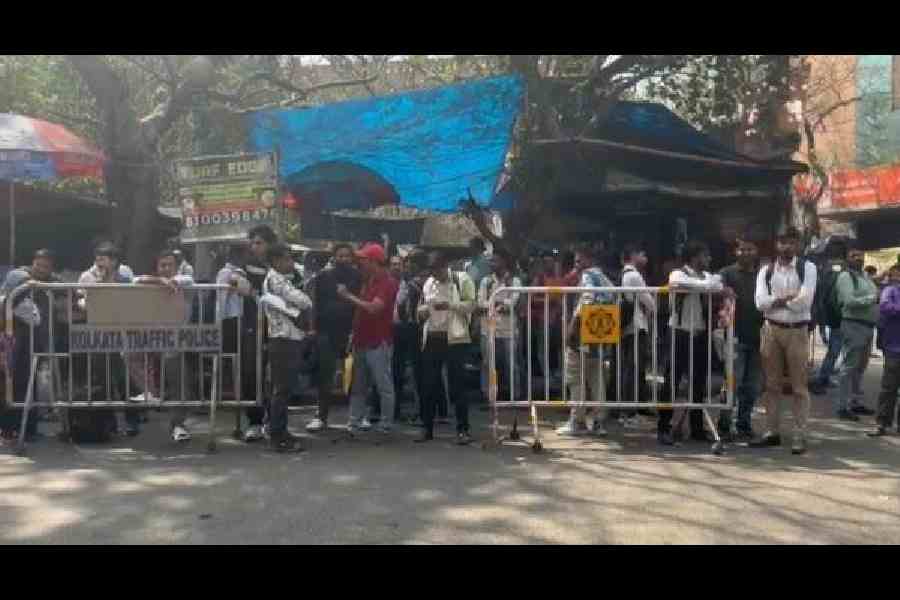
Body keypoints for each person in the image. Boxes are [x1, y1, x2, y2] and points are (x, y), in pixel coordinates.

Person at [750, 227, 817, 455]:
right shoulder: (766, 270)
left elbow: (804, 302)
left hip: (797, 331)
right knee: (771, 385)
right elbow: (759, 303)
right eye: (782, 242)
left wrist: (775, 301)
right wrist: (787, 299)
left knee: (799, 387)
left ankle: (799, 434)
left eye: (791, 242)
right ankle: (772, 432)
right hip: (771, 330)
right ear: (776, 244)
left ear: (798, 245)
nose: (786, 246)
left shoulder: (807, 268)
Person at [658, 241, 724, 446]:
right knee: (672, 381)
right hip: (679, 332)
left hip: (700, 333)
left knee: (698, 381)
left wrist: (705, 284)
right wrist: (706, 284)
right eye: (705, 255)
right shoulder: (677, 274)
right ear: (695, 257)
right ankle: (664, 427)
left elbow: (717, 285)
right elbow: (699, 285)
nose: (708, 259)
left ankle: (696, 428)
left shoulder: (707, 276)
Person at [77, 242, 141, 436]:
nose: (99, 263)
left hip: (121, 333)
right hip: (98, 334)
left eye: (103, 259)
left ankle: (132, 421)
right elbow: (82, 303)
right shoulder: (87, 277)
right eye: (97, 259)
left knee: (124, 379)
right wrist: (99, 285)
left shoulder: (125, 277)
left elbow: (132, 302)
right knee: (102, 379)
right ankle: (108, 424)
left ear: (114, 261)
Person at [133, 250, 197, 442]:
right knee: (127, 353)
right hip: (151, 336)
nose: (166, 268)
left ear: (177, 267)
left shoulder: (185, 280)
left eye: (170, 265)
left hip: (176, 339)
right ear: (157, 267)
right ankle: (151, 392)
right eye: (162, 265)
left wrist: (164, 281)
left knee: (177, 376)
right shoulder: (154, 282)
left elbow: (183, 281)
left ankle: (178, 424)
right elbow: (135, 280)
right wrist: (159, 280)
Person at [0, 249, 62, 440]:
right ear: (33, 262)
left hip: (34, 342)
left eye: (46, 266)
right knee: (9, 382)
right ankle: (9, 428)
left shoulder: (52, 281)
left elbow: (69, 291)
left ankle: (28, 430)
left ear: (51, 268)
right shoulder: (18, 276)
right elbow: (9, 300)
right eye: (38, 265)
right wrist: (30, 284)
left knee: (28, 384)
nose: (41, 269)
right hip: (13, 339)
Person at [416, 251, 477, 444]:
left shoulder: (462, 279)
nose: (435, 274)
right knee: (428, 385)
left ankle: (463, 430)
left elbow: (472, 305)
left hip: (455, 339)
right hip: (432, 337)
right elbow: (421, 307)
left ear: (445, 266)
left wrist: (450, 305)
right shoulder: (428, 283)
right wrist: (422, 311)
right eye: (432, 271)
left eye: (437, 270)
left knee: (457, 386)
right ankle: (426, 428)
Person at [338, 243, 399, 434]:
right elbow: (361, 311)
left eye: (363, 259)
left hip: (378, 341)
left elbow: (374, 308)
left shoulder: (388, 283)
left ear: (373, 261)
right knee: (358, 385)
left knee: (383, 385)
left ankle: (386, 424)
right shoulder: (369, 280)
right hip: (361, 340)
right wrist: (353, 333)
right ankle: (354, 421)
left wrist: (348, 296)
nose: (360, 262)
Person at [556, 245, 616, 437]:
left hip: (584, 331)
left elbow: (587, 298)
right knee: (596, 377)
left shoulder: (588, 276)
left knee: (575, 375)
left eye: (579, 260)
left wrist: (573, 324)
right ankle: (598, 421)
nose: (576, 264)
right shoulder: (604, 278)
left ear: (589, 260)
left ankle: (577, 421)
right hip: (600, 331)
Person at [259, 242, 313, 452]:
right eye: (287, 258)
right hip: (283, 339)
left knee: (284, 389)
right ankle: (277, 436)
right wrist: (306, 296)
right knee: (282, 390)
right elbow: (303, 301)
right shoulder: (276, 280)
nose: (291, 262)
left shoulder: (281, 279)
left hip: (287, 338)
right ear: (276, 261)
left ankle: (281, 431)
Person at [304, 243, 362, 433]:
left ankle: (357, 417)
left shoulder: (358, 276)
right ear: (334, 257)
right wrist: (312, 328)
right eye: (340, 255)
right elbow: (314, 303)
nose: (343, 259)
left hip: (350, 331)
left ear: (352, 258)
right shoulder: (323, 276)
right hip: (326, 331)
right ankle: (321, 416)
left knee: (357, 375)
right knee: (325, 374)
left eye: (347, 256)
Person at [717, 238, 764, 442]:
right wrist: (723, 290)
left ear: (756, 251)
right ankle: (724, 426)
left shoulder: (762, 275)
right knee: (732, 384)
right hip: (734, 337)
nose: (746, 252)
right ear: (736, 252)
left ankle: (744, 424)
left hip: (758, 338)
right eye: (742, 249)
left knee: (752, 387)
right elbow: (716, 289)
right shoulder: (726, 273)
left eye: (750, 249)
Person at [239, 225, 278, 442]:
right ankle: (254, 422)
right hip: (252, 326)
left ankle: (274, 422)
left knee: (276, 376)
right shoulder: (245, 266)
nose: (255, 247)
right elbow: (233, 280)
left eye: (259, 243)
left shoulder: (282, 265)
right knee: (251, 372)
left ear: (270, 244)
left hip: (279, 328)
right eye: (252, 243)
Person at [833, 247, 879, 420]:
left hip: (867, 327)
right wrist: (872, 299)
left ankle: (855, 402)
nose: (858, 258)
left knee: (860, 367)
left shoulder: (865, 277)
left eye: (860, 255)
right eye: (854, 256)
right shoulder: (845, 277)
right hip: (853, 325)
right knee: (849, 366)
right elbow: (849, 301)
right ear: (847, 259)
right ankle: (842, 407)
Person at [477, 251, 523, 402]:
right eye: (491, 261)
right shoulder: (486, 281)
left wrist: (495, 303)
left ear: (504, 262)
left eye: (495, 261)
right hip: (488, 328)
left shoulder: (514, 281)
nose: (492, 264)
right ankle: (488, 396)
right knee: (487, 364)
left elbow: (513, 302)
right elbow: (480, 303)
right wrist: (499, 304)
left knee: (511, 364)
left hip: (508, 329)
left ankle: (515, 396)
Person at [620, 244, 655, 420]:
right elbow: (649, 301)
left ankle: (639, 405)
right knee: (634, 368)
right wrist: (652, 307)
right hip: (635, 326)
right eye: (642, 253)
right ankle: (630, 409)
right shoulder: (633, 275)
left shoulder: (626, 274)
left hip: (632, 326)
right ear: (633, 255)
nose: (645, 257)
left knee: (637, 367)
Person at [215, 244, 253, 401]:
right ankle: (227, 390)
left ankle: (235, 390)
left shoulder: (240, 273)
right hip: (228, 319)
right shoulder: (225, 272)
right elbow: (222, 298)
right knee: (229, 355)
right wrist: (219, 321)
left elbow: (246, 290)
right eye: (244, 255)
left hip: (236, 318)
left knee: (237, 355)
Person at [809, 251, 848, 395]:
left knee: (834, 351)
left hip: (829, 318)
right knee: (834, 351)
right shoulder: (834, 276)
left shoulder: (826, 275)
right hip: (834, 319)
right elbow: (829, 301)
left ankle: (824, 377)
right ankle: (821, 379)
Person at [869, 264, 900, 437]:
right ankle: (882, 423)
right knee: (889, 387)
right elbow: (885, 306)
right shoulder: (890, 290)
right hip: (894, 347)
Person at [392, 254, 423, 421]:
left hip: (416, 330)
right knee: (397, 369)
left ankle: (421, 411)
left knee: (418, 372)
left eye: (410, 265)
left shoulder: (421, 283)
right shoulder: (402, 283)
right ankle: (395, 409)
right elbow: (399, 304)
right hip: (400, 329)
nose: (407, 268)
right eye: (406, 265)